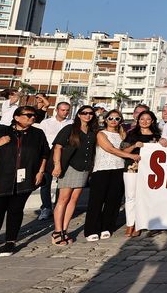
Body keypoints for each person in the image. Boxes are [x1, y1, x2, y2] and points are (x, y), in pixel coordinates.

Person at [0, 106, 50, 259]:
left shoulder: (37, 133)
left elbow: (45, 153)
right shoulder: (1, 132)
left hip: (24, 179)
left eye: (34, 116)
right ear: (17, 117)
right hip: (1, 178)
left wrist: (40, 172)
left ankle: (10, 241)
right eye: (28, 115)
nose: (32, 118)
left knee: (16, 211)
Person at [84, 110, 139, 241]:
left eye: (117, 118)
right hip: (102, 170)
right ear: (105, 120)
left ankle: (107, 227)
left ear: (121, 121)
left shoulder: (123, 135)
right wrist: (131, 155)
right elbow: (110, 149)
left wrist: (134, 147)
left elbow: (125, 149)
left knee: (113, 201)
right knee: (96, 201)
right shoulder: (101, 134)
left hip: (119, 169)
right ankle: (91, 229)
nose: (114, 120)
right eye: (111, 118)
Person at [50, 105, 98, 246]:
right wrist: (57, 165)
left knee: (74, 200)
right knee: (63, 199)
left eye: (90, 113)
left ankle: (65, 230)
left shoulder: (92, 131)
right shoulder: (70, 129)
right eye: (84, 113)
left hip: (84, 168)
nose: (87, 115)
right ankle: (57, 232)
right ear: (78, 115)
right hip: (70, 167)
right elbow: (58, 146)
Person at [120, 110, 160, 238]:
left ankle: (139, 223)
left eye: (148, 119)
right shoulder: (132, 134)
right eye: (142, 119)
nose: (145, 121)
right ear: (138, 120)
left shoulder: (157, 136)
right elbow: (123, 150)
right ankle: (130, 224)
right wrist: (134, 147)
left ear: (152, 121)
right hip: (132, 168)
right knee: (130, 196)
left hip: (150, 170)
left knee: (145, 197)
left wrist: (163, 143)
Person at [37, 101, 72, 221]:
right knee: (45, 183)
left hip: (64, 156)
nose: (65, 112)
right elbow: (40, 139)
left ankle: (58, 206)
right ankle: (46, 207)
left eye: (67, 110)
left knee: (62, 184)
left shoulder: (71, 123)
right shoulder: (46, 123)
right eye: (63, 110)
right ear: (56, 110)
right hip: (48, 154)